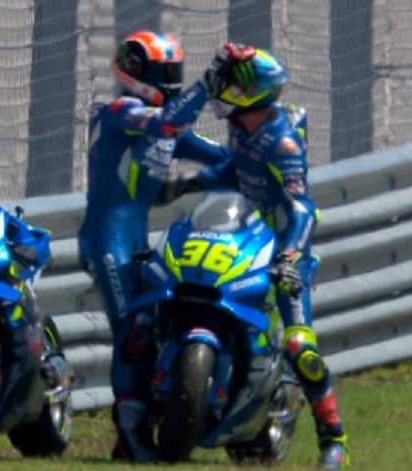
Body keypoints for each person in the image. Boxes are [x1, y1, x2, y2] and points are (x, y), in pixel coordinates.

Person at [159, 45, 350, 469]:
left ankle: (334, 441)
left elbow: (303, 209)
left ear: (251, 91)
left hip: (284, 249)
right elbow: (231, 169)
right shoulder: (241, 130)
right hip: (242, 236)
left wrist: (290, 256)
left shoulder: (282, 143)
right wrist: (189, 182)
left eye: (230, 83)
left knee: (300, 346)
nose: (222, 89)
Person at [76, 31, 249, 462]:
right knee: (132, 335)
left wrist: (261, 147)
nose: (170, 79)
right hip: (107, 241)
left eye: (175, 70)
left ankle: (170, 411)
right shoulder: (118, 111)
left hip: (137, 241)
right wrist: (205, 86)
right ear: (136, 70)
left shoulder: (166, 124)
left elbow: (224, 162)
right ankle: (130, 436)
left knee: (157, 325)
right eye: (162, 71)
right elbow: (168, 125)